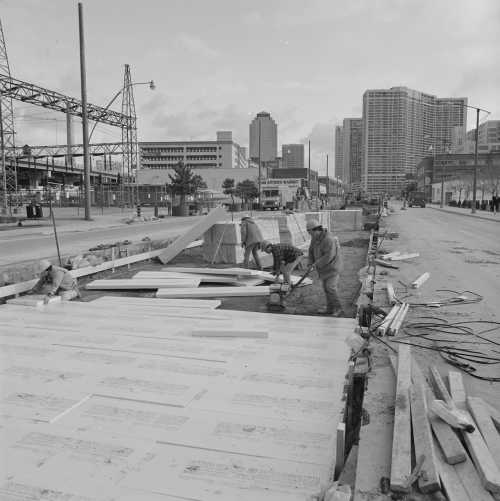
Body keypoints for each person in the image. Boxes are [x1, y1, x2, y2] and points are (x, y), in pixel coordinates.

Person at [306, 219, 344, 317]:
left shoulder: (329, 240)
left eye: (311, 233)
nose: (311, 235)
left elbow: (328, 256)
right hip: (324, 269)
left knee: (330, 287)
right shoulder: (315, 239)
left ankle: (338, 308)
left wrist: (316, 264)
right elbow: (310, 251)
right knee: (326, 288)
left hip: (333, 268)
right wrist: (310, 263)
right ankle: (330, 308)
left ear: (317, 230)